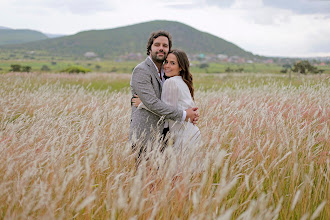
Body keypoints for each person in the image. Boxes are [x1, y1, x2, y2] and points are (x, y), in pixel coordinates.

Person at [129, 31, 199, 158]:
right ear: (150, 48)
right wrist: (184, 115)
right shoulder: (141, 70)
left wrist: (189, 114)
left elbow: (170, 101)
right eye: (157, 44)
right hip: (146, 136)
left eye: (165, 45)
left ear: (168, 49)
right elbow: (153, 103)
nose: (161, 48)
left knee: (165, 176)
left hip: (167, 137)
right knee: (146, 177)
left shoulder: (168, 73)